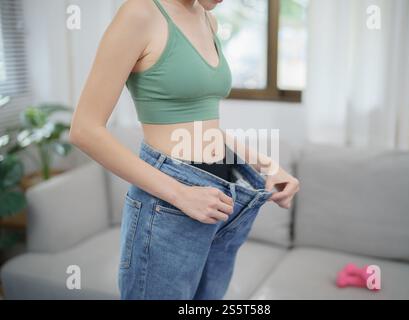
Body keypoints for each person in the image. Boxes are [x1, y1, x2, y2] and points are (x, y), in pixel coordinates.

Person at [69, 0, 300, 300]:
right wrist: (181, 194)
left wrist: (267, 166)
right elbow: (85, 129)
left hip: (219, 200)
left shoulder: (207, 18)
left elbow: (205, 129)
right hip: (168, 203)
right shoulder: (140, 14)